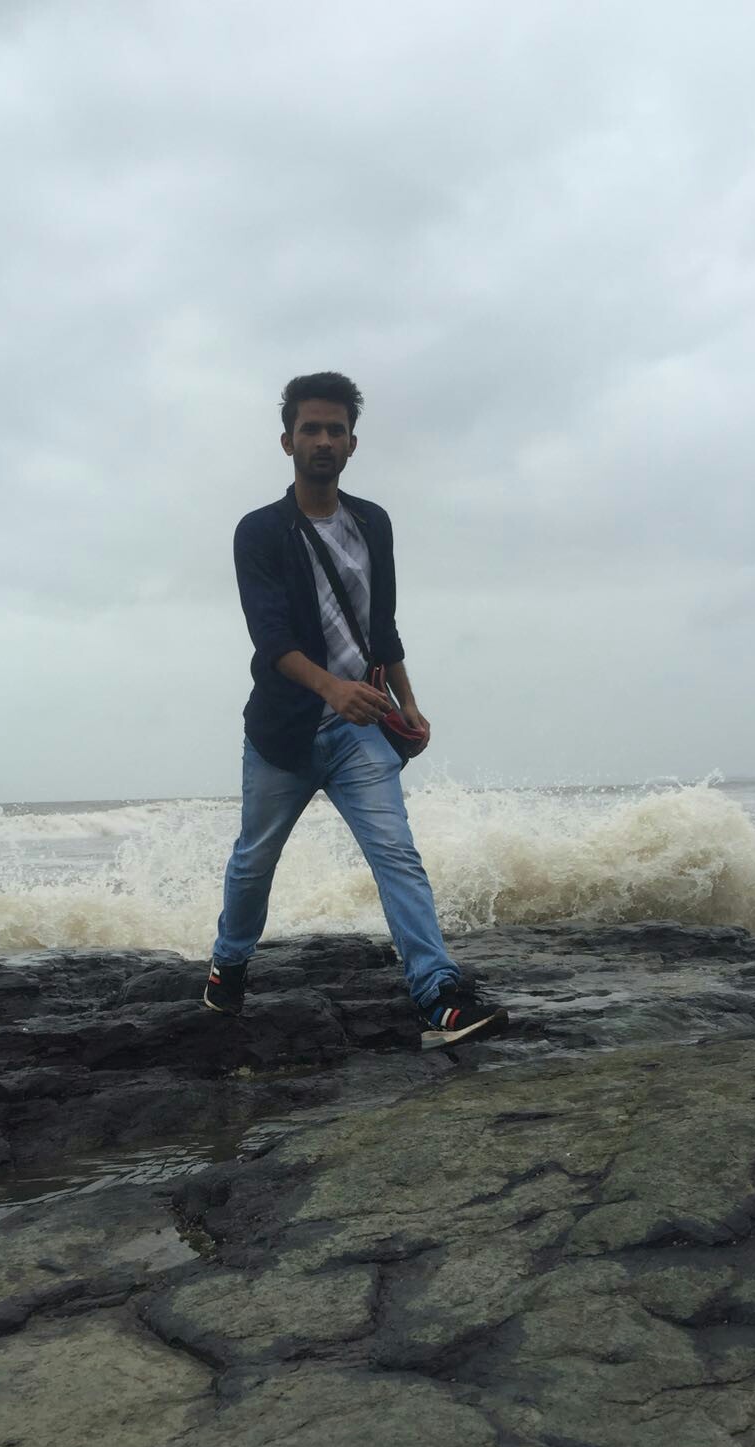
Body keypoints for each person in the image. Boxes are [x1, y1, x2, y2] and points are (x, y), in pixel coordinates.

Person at [203, 371, 507, 1049]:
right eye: (310, 428)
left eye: (335, 430)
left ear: (352, 443)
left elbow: (382, 625)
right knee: (254, 860)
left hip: (359, 729)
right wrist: (331, 688)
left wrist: (408, 702)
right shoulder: (259, 532)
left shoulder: (373, 522)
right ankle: (230, 962)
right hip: (283, 732)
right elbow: (271, 639)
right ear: (287, 441)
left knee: (397, 853)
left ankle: (438, 995)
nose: (323, 440)